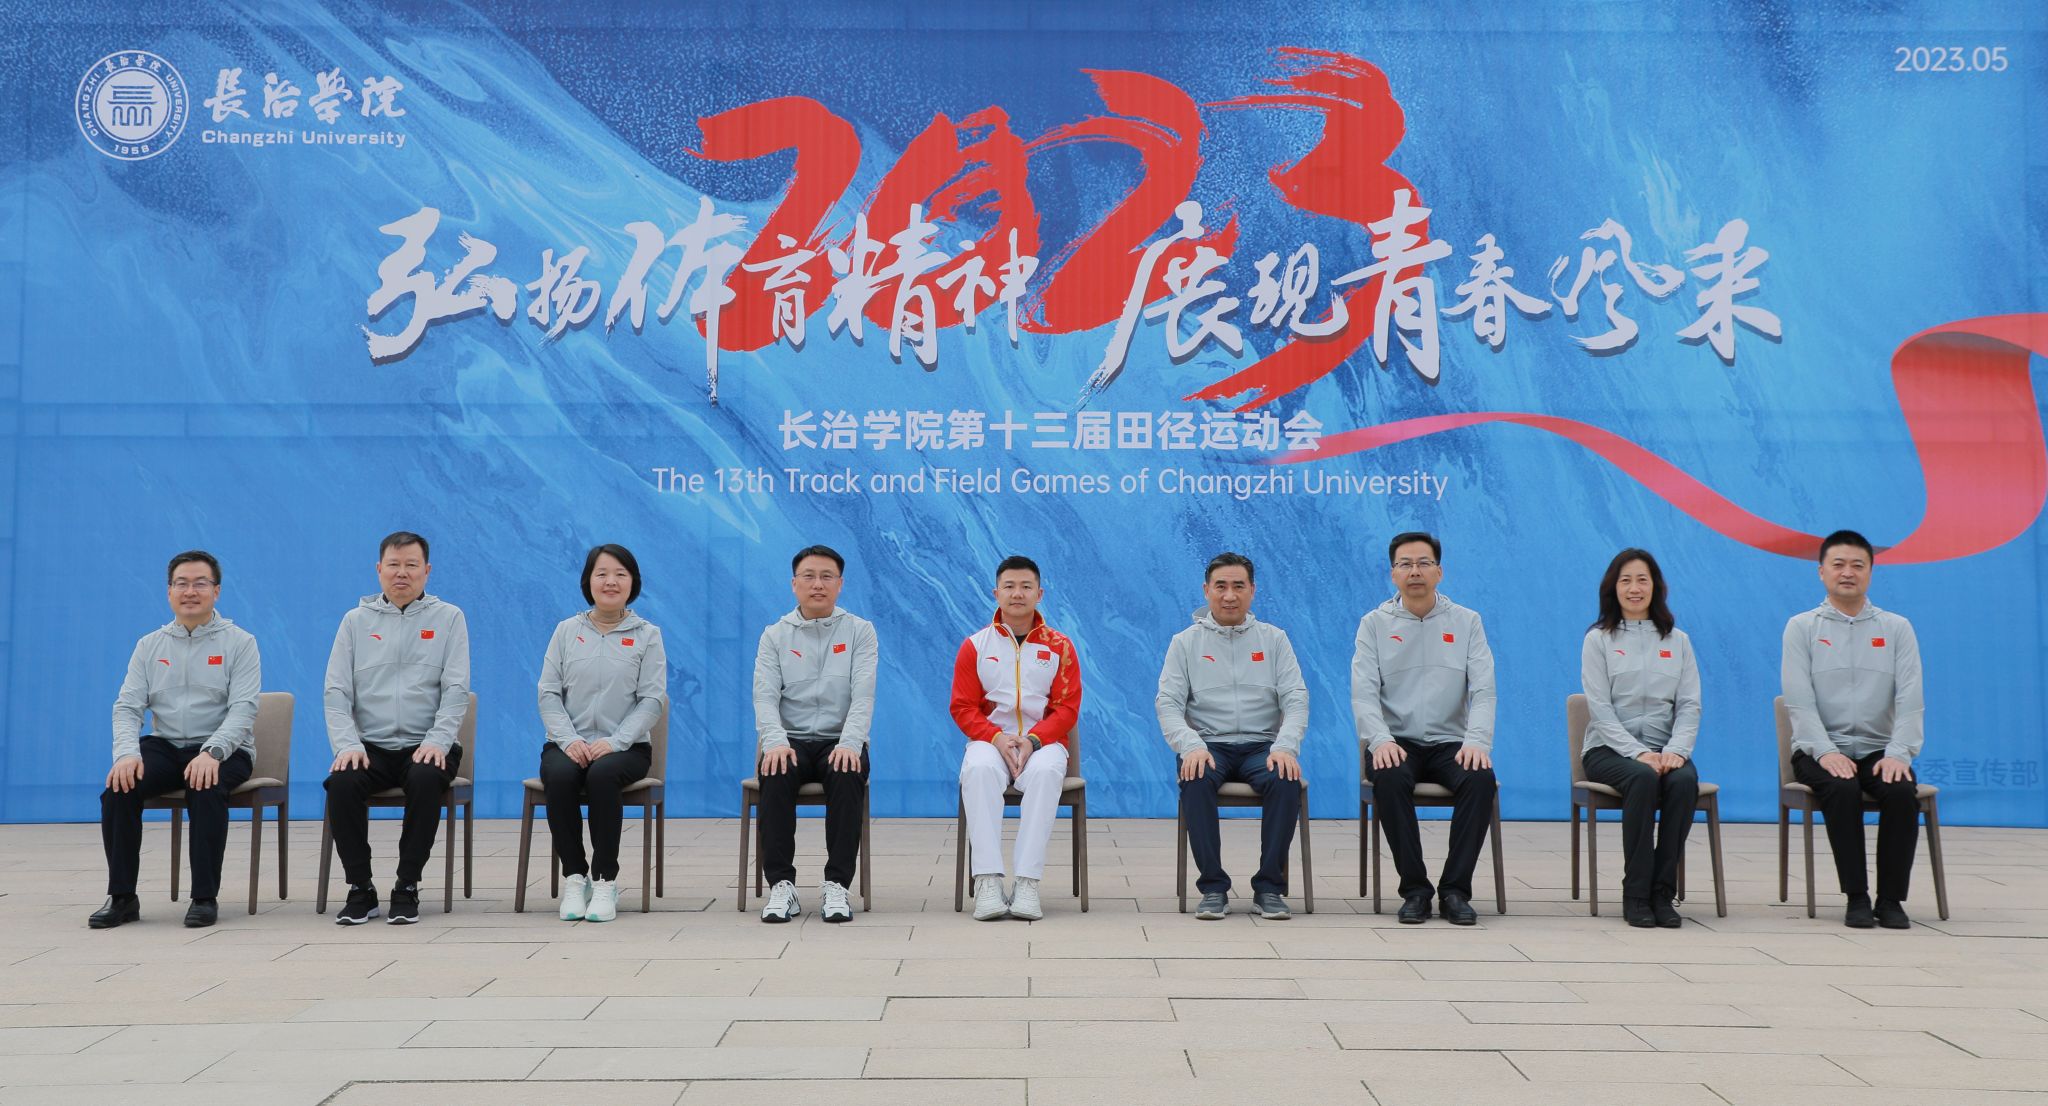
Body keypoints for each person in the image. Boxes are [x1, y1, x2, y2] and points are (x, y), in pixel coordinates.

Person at [93, 551, 260, 929]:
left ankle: (204, 897)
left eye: (200, 583)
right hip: (166, 745)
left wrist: (213, 752)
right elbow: (127, 707)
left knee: (205, 785)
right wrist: (126, 754)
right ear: (169, 591)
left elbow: (244, 709)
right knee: (119, 787)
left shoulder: (240, 642)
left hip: (224, 749)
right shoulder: (149, 645)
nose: (190, 591)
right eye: (181, 584)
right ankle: (122, 897)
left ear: (216, 591)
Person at [322, 531, 471, 926]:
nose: (401, 573)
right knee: (341, 783)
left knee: (425, 778)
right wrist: (347, 744)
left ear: (427, 570)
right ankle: (360, 888)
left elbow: (457, 690)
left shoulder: (449, 618)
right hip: (370, 746)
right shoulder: (355, 622)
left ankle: (407, 885)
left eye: (411, 565)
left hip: (427, 744)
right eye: (393, 564)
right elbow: (336, 691)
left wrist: (438, 741)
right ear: (379, 569)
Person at [1351, 531, 1498, 926]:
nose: (1414, 571)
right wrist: (1379, 740)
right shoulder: (1374, 624)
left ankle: (1455, 891)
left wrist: (1477, 741)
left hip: (1451, 742)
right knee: (1389, 775)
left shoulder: (1467, 622)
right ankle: (1415, 890)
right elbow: (1363, 694)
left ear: (1439, 571)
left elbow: (1484, 690)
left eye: (1423, 563)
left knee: (1480, 778)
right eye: (1405, 564)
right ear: (1393, 574)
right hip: (1396, 741)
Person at [1782, 529, 1924, 930]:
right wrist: (1826, 751)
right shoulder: (1802, 627)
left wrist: (1899, 753)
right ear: (1821, 571)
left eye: (1858, 565)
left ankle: (1891, 900)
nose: (1848, 573)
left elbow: (1911, 698)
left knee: (1901, 792)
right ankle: (1856, 897)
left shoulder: (1896, 628)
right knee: (1841, 789)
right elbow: (1798, 701)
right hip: (1819, 750)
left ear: (1870, 572)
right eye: (1839, 564)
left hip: (1879, 749)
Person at [1157, 551, 1308, 920]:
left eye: (1238, 586)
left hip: (1262, 746)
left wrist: (1285, 747)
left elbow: (1296, 698)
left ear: (1252, 590)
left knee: (1285, 778)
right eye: (1220, 586)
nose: (1229, 595)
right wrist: (1191, 746)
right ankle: (1213, 888)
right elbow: (1168, 704)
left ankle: (1269, 887)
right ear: (1206, 590)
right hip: (1208, 746)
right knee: (1195, 777)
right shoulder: (1185, 642)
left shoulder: (1274, 639)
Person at [537, 544, 667, 923]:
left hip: (626, 748)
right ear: (588, 581)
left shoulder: (647, 635)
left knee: (602, 775)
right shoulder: (566, 631)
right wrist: (569, 740)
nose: (611, 582)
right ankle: (575, 878)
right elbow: (548, 693)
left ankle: (605, 880)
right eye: (602, 574)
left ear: (633, 583)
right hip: (568, 743)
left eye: (620, 574)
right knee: (560, 776)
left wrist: (615, 741)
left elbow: (652, 700)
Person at [951, 554, 1082, 921]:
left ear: (1039, 593)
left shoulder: (1060, 646)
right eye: (1009, 586)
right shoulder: (975, 646)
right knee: (978, 770)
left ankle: (1027, 882)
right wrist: (995, 738)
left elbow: (1067, 709)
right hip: (990, 741)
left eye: (1026, 586)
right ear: (996, 593)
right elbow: (962, 707)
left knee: (1045, 773)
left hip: (1044, 743)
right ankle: (988, 881)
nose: (1017, 593)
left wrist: (1034, 740)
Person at [751, 544, 877, 924]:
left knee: (846, 770)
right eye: (809, 576)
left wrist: (850, 743)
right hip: (789, 740)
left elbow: (863, 695)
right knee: (775, 770)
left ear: (840, 584)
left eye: (826, 577)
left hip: (839, 739)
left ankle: (836, 885)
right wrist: (774, 741)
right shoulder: (774, 635)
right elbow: (764, 696)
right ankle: (781, 886)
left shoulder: (860, 631)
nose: (817, 584)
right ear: (794, 584)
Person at [1579, 548, 1701, 928]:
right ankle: (1635, 894)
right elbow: (1599, 708)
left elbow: (1690, 705)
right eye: (1626, 580)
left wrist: (1677, 751)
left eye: (1642, 580)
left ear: (1656, 587)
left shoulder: (1678, 641)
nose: (1634, 588)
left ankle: (1662, 894)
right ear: (1613, 588)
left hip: (1665, 750)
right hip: (1608, 750)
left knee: (1684, 782)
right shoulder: (1598, 639)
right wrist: (1637, 753)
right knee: (1643, 777)